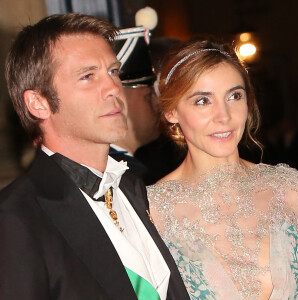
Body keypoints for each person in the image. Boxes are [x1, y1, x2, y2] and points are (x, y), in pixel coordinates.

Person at [0, 13, 189, 300]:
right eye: (88, 76)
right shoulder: (14, 219)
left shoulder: (134, 189)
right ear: (38, 103)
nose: (114, 88)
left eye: (113, 72)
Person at [147, 38, 298, 299]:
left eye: (234, 96)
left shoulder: (290, 188)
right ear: (171, 110)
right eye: (203, 101)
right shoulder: (152, 211)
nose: (224, 116)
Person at [111, 27, 185, 185]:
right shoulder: (121, 176)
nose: (158, 105)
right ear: (118, 98)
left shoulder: (128, 168)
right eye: (149, 95)